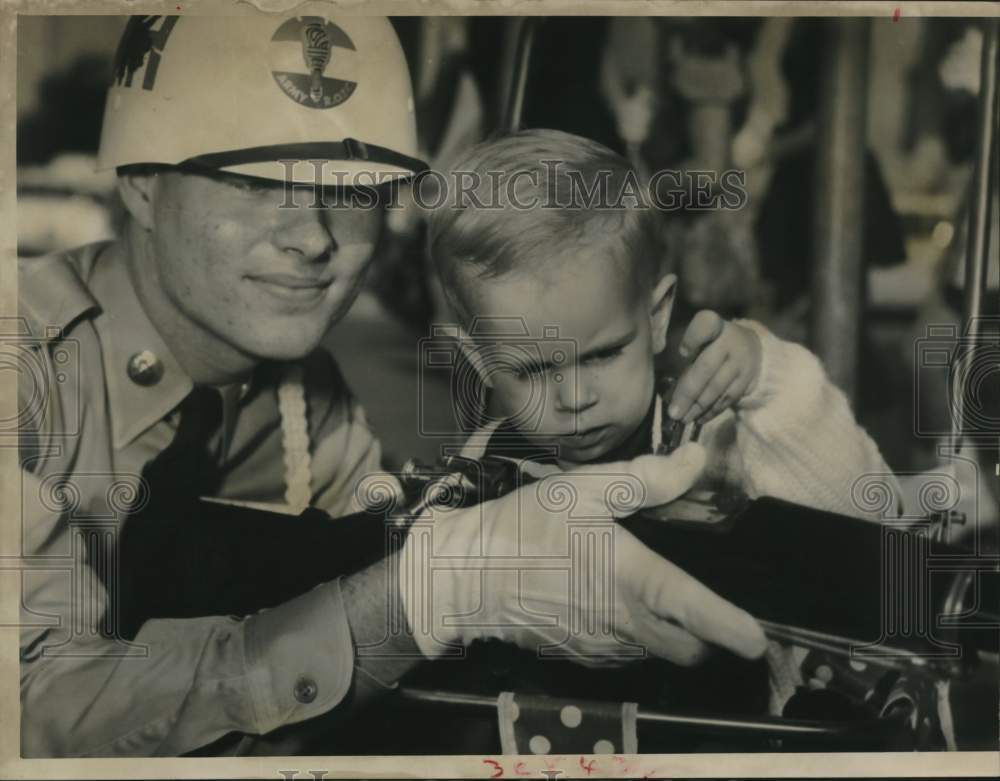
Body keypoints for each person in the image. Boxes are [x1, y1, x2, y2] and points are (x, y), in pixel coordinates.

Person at [17, 10, 768, 757]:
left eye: (353, 190)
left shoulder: (306, 404)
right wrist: (435, 590)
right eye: (256, 182)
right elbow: (32, 715)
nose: (313, 237)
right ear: (143, 183)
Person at [427, 129, 904, 713]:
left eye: (602, 354)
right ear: (478, 361)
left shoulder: (715, 441)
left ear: (656, 318)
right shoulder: (481, 468)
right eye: (529, 371)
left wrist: (771, 385)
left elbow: (865, 515)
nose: (574, 397)